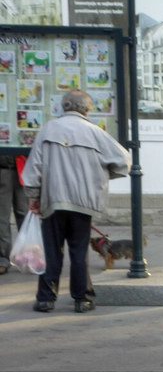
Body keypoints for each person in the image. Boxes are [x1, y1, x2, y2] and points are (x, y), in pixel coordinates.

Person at [21, 89, 130, 312]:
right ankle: (83, 299)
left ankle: (45, 298)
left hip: (52, 200)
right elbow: (123, 160)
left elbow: (34, 168)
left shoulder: (49, 129)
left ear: (64, 106)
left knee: (52, 251)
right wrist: (102, 174)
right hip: (83, 202)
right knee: (79, 252)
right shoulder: (94, 132)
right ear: (87, 110)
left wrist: (34, 197)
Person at [0, 154, 29, 275]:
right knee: (2, 217)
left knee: (24, 215)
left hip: (23, 167)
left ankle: (28, 257)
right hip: (2, 169)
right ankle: (2, 259)